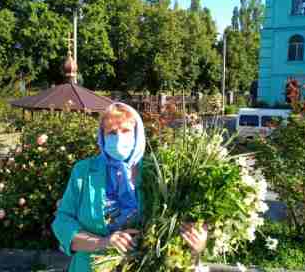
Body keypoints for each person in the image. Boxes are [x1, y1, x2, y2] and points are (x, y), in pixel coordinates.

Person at [52, 103, 207, 271]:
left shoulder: (158, 173)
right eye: (111, 133)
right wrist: (102, 243)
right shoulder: (84, 171)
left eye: (125, 130)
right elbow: (63, 221)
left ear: (137, 134)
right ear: (102, 138)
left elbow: (176, 221)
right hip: (89, 266)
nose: (118, 138)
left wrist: (197, 242)